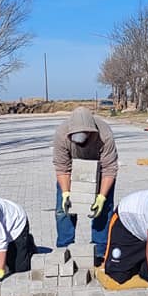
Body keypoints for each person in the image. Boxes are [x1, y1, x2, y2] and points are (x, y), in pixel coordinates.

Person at [53, 107, 118, 263]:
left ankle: (99, 250)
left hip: (101, 171)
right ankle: (64, 248)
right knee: (63, 210)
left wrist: (101, 197)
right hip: (73, 171)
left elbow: (110, 169)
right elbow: (62, 167)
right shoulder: (62, 134)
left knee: (104, 210)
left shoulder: (105, 134)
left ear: (90, 133)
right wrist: (66, 193)